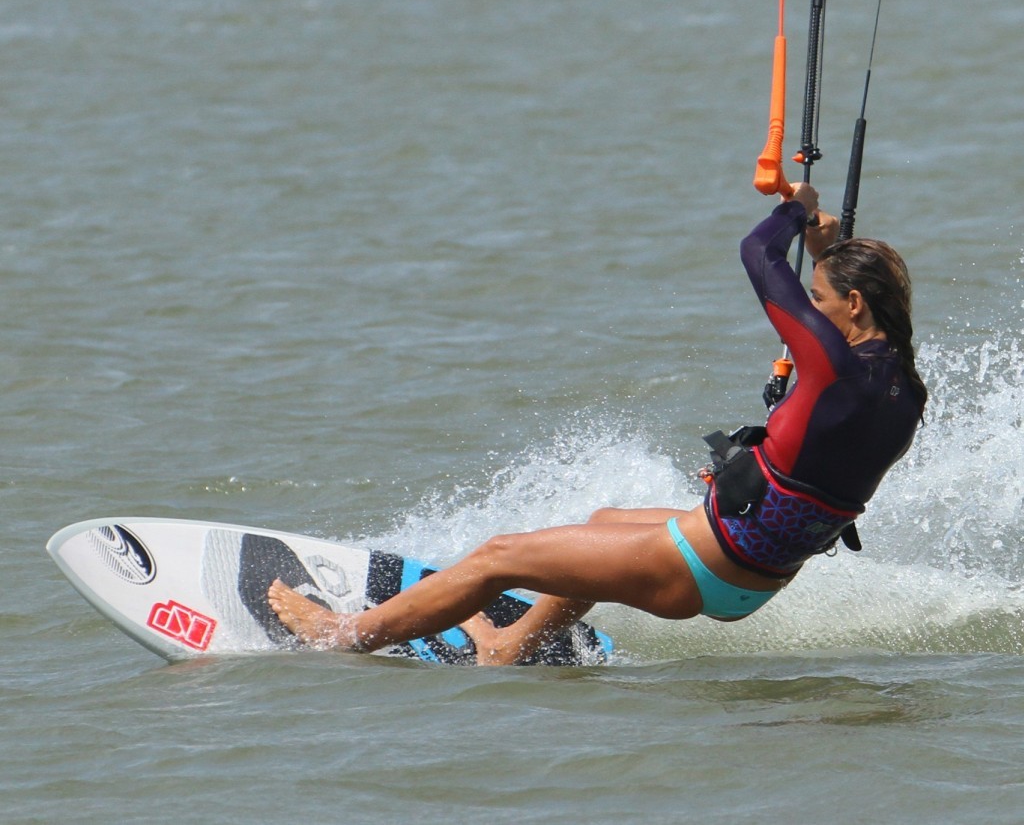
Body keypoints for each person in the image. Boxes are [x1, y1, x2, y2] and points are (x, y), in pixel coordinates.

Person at [268, 183, 926, 664]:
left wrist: (795, 210)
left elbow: (757, 252)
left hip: (705, 567)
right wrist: (826, 252)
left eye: (818, 297)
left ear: (855, 304)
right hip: (759, 575)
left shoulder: (831, 369)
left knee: (498, 557)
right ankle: (509, 646)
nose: (809, 309)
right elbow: (821, 447)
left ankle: (343, 636)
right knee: (604, 521)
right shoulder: (905, 392)